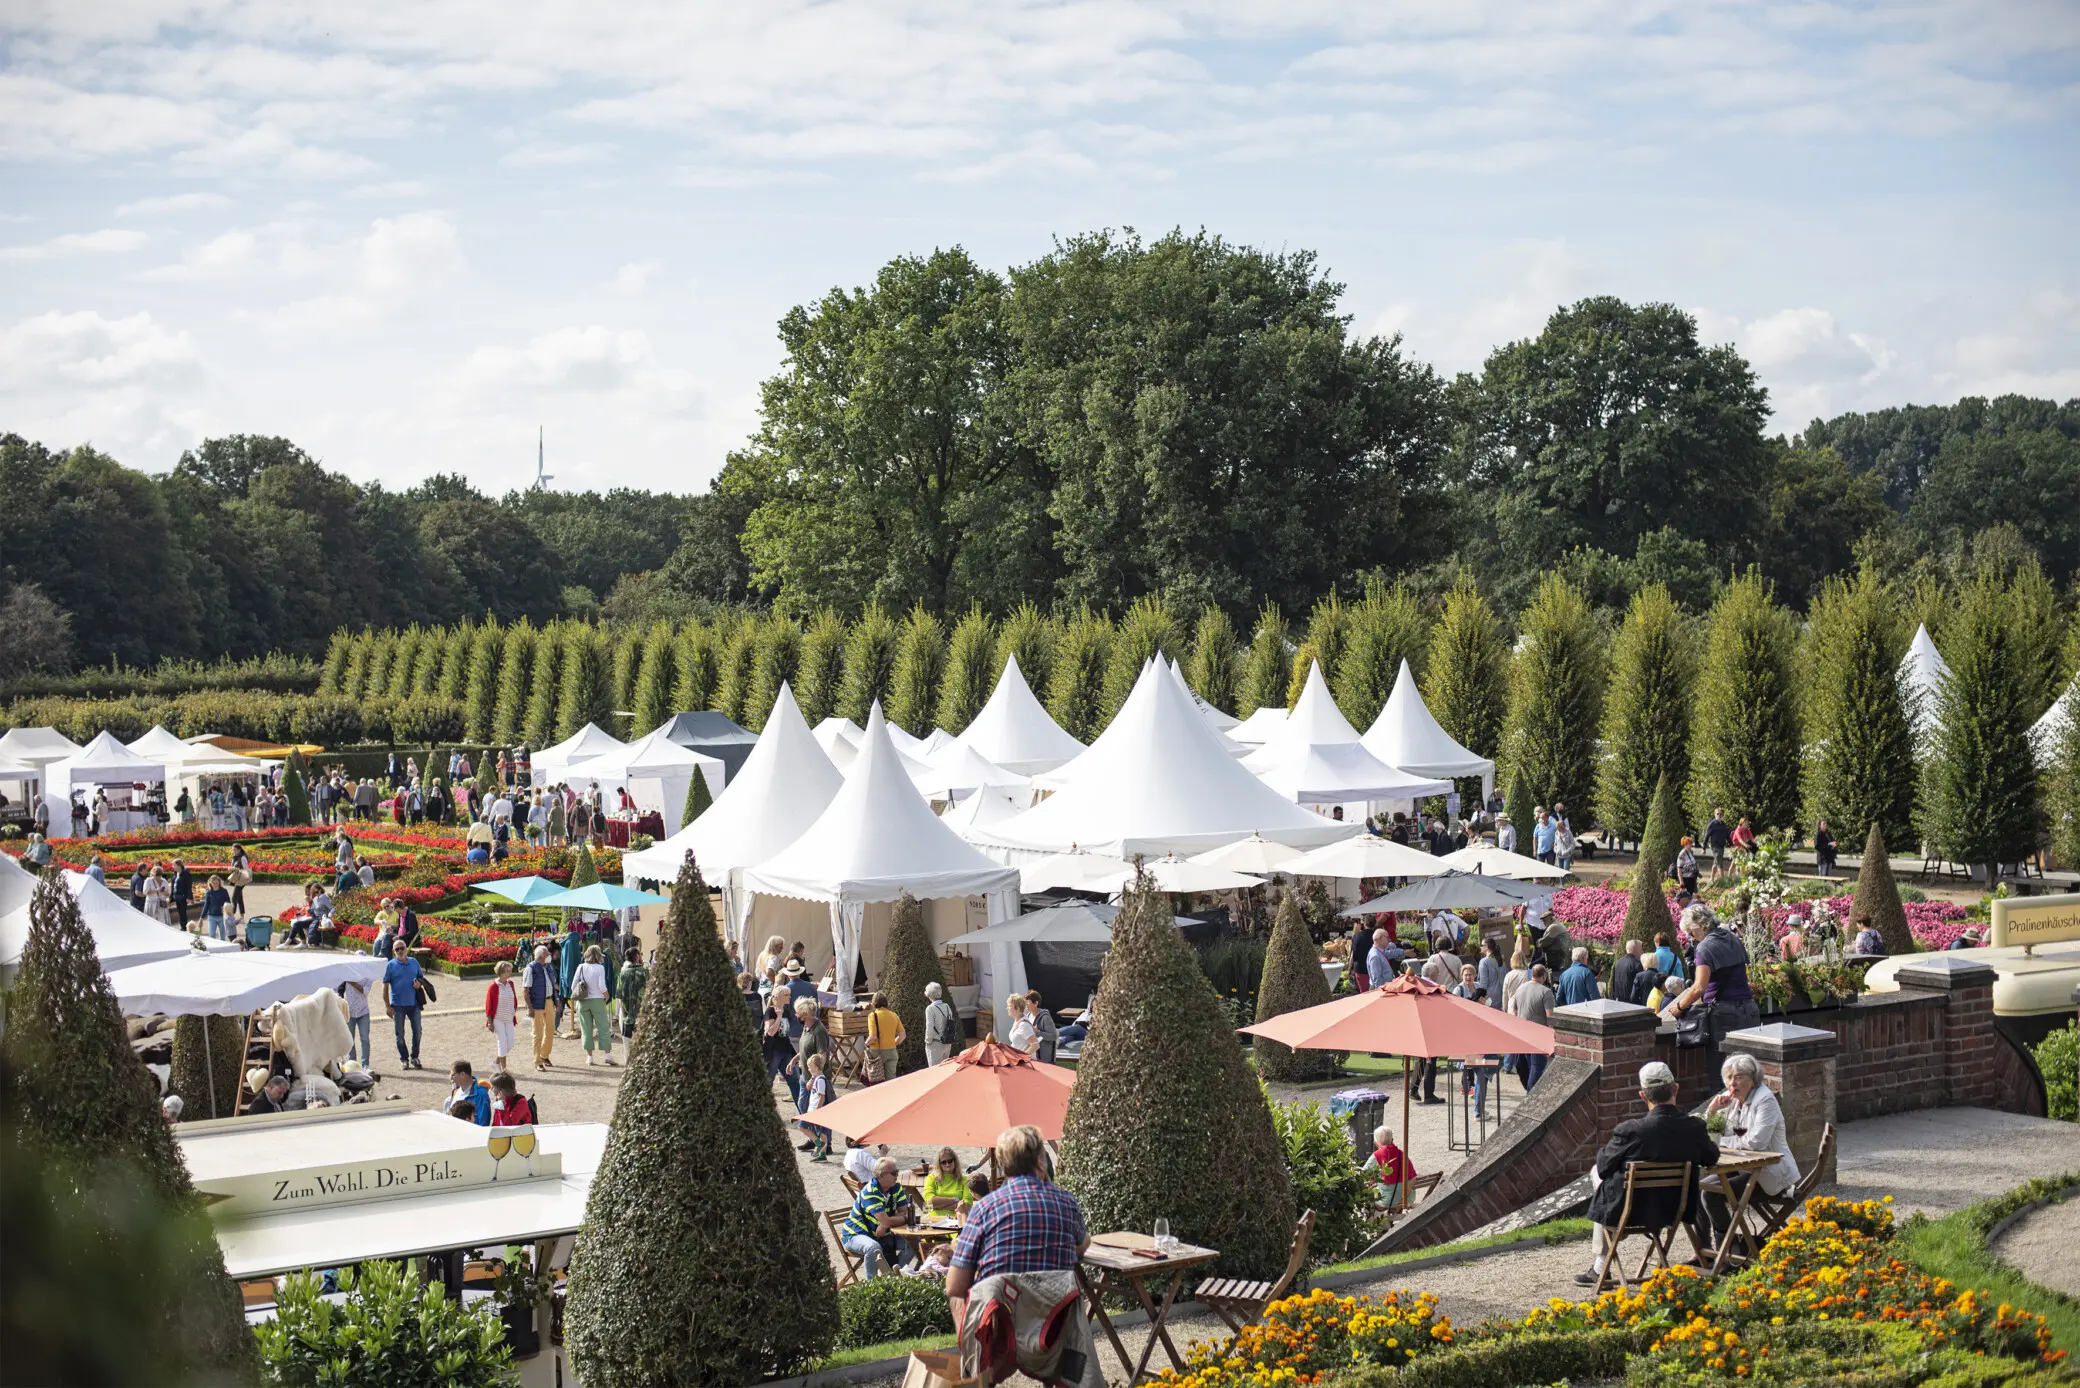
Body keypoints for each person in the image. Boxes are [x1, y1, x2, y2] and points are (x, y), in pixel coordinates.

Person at [1576, 1061, 1719, 1286]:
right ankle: (1600, 1264)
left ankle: (1600, 1265)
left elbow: (1604, 1167)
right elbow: (1711, 1158)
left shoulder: (1631, 1130)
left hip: (1629, 1212)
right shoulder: (1694, 1128)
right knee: (1607, 1183)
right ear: (1676, 1089)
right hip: (1674, 1210)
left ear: (1643, 1096)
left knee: (1599, 1177)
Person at [945, 1125, 1090, 1318]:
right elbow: (1081, 1246)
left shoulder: (984, 1209)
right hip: (1057, 1329)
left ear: (1003, 1164)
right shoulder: (1065, 1202)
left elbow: (954, 1285)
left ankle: (973, 1348)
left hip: (1002, 1330)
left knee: (958, 1295)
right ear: (1040, 1161)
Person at [1701, 1053, 1800, 1248]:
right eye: (1729, 1077)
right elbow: (1712, 1133)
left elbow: (1756, 1142)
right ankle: (1711, 1249)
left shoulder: (1765, 1100)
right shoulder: (1734, 1100)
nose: (1732, 1083)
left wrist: (1723, 1141)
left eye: (1739, 1077)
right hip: (1745, 1167)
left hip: (1770, 1172)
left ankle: (1731, 1249)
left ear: (1753, 1079)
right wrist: (1712, 1110)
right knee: (1701, 1187)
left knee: (1711, 1194)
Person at [1667, 903, 1760, 1077]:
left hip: (1724, 1014)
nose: (1691, 937)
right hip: (1748, 1008)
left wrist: (1679, 1007)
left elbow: (1699, 987)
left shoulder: (1705, 947)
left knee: (1723, 1072)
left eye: (1690, 932)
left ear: (1700, 926)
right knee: (1747, 1069)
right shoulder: (1732, 938)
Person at [842, 1157, 916, 1279]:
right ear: (881, 1176)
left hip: (883, 1234)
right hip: (855, 1235)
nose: (897, 1175)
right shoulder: (871, 1191)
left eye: (897, 1171)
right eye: (893, 1173)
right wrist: (893, 1220)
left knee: (914, 1242)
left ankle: (893, 1277)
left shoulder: (896, 1187)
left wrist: (885, 1223)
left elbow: (905, 1211)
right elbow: (899, 1217)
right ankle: (873, 1285)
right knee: (873, 1248)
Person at [1508, 963, 1556, 1088]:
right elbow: (1550, 1017)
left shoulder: (1520, 989)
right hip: (1539, 1038)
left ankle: (1529, 1092)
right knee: (1536, 1068)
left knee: (1524, 1067)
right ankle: (1531, 1095)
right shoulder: (1546, 992)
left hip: (1523, 1036)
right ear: (1544, 976)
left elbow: (1515, 1011)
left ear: (1532, 974)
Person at [385, 937, 427, 1070]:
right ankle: (404, 1058)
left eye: (402, 948)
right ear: (393, 951)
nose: (400, 951)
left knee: (417, 1031)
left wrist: (419, 983)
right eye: (397, 949)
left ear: (406, 948)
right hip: (397, 1005)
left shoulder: (414, 962)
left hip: (413, 1003)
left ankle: (415, 1057)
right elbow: (385, 986)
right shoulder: (390, 965)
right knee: (399, 1034)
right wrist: (387, 1005)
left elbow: (422, 978)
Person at [572, 944, 616, 1066]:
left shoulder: (580, 967)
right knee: (603, 1028)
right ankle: (607, 1055)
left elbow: (573, 985)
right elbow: (602, 986)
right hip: (598, 1000)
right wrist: (606, 996)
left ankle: (590, 1057)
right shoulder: (600, 968)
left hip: (583, 1001)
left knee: (586, 1029)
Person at [789, 998, 829, 1119]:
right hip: (805, 1076)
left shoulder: (819, 1031)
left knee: (816, 1114)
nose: (796, 1016)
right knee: (803, 1107)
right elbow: (805, 1048)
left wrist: (813, 1078)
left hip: (815, 1081)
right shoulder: (806, 1028)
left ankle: (817, 1138)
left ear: (805, 1015)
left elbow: (822, 1057)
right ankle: (813, 1137)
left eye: (798, 1013)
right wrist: (794, 1060)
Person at [1367, 1124, 1417, 1207]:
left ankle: (1372, 1219)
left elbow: (1363, 1175)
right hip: (1408, 1199)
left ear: (1376, 1143)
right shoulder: (1402, 1154)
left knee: (1368, 1193)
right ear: (1392, 1140)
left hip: (1389, 1202)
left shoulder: (1377, 1155)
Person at [761, 983, 797, 1099]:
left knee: (794, 1081)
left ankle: (803, 1113)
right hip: (773, 1051)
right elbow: (770, 1032)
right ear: (779, 997)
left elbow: (785, 1032)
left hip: (785, 1050)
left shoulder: (786, 1010)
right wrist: (779, 1017)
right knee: (768, 1082)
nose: (790, 998)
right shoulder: (770, 1011)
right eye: (787, 995)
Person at [485, 961, 521, 1072]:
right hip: (498, 1018)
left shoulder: (511, 984)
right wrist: (490, 1021)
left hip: (509, 1018)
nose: (510, 973)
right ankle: (504, 1068)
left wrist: (513, 1011)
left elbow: (514, 999)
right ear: (500, 972)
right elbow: (489, 1005)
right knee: (502, 1042)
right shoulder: (493, 986)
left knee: (510, 1042)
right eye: (507, 971)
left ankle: (496, 1062)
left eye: (510, 971)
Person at [799, 1053, 835, 1160]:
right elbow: (809, 1088)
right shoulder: (816, 1078)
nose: (808, 1069)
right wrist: (812, 1078)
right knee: (822, 1133)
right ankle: (822, 1154)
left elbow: (821, 1097)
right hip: (814, 1110)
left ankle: (819, 1145)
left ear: (815, 1067)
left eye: (809, 1067)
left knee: (802, 1126)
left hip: (816, 1111)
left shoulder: (820, 1080)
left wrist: (817, 1111)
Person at [865, 991, 905, 1082]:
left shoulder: (873, 1016)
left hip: (877, 1053)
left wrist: (866, 1044)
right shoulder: (894, 1015)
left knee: (876, 1081)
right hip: (892, 1051)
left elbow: (873, 1037)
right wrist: (894, 1043)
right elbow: (902, 1035)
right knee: (891, 1081)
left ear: (874, 1003)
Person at [923, 981, 959, 1066]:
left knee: (934, 1072)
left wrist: (927, 1041)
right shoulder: (946, 1006)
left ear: (929, 995)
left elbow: (929, 1026)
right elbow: (951, 1022)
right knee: (944, 1070)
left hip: (935, 1044)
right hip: (947, 1042)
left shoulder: (930, 1009)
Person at [340, 975, 372, 1067]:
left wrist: (352, 982)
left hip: (364, 1011)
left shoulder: (368, 975)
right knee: (350, 1040)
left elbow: (365, 991)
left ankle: (365, 1066)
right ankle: (352, 1065)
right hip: (349, 1012)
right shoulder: (347, 972)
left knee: (365, 1039)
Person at [447, 1061, 491, 1125]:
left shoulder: (481, 1095)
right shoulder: (455, 1091)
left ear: (462, 1074)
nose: (450, 1078)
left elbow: (483, 1123)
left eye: (453, 1075)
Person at [619, 945, 648, 1038]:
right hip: (641, 1010)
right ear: (637, 956)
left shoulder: (622, 972)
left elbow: (619, 994)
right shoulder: (644, 971)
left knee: (627, 1040)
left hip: (627, 1011)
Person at [1024, 989, 1057, 1064]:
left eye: (1028, 1003)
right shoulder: (1027, 1016)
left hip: (1044, 1059)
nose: (1026, 1005)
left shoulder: (1045, 1017)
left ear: (1036, 1003)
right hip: (1031, 1057)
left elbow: (1053, 1036)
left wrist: (1037, 1032)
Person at [1611, 939, 1645, 1009]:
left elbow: (1613, 982)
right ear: (1636, 949)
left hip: (1618, 1001)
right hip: (1631, 1004)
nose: (1642, 952)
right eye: (1641, 949)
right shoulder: (1637, 964)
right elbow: (1640, 987)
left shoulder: (1618, 962)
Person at [1703, 808, 1732, 882]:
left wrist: (1731, 844)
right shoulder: (1712, 824)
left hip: (1721, 846)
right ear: (1715, 814)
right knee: (1719, 862)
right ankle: (1723, 880)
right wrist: (1704, 848)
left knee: (1716, 862)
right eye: (1717, 814)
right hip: (1715, 846)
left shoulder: (1723, 824)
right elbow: (1706, 836)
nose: (1719, 815)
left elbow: (1727, 835)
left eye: (1720, 814)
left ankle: (1711, 878)